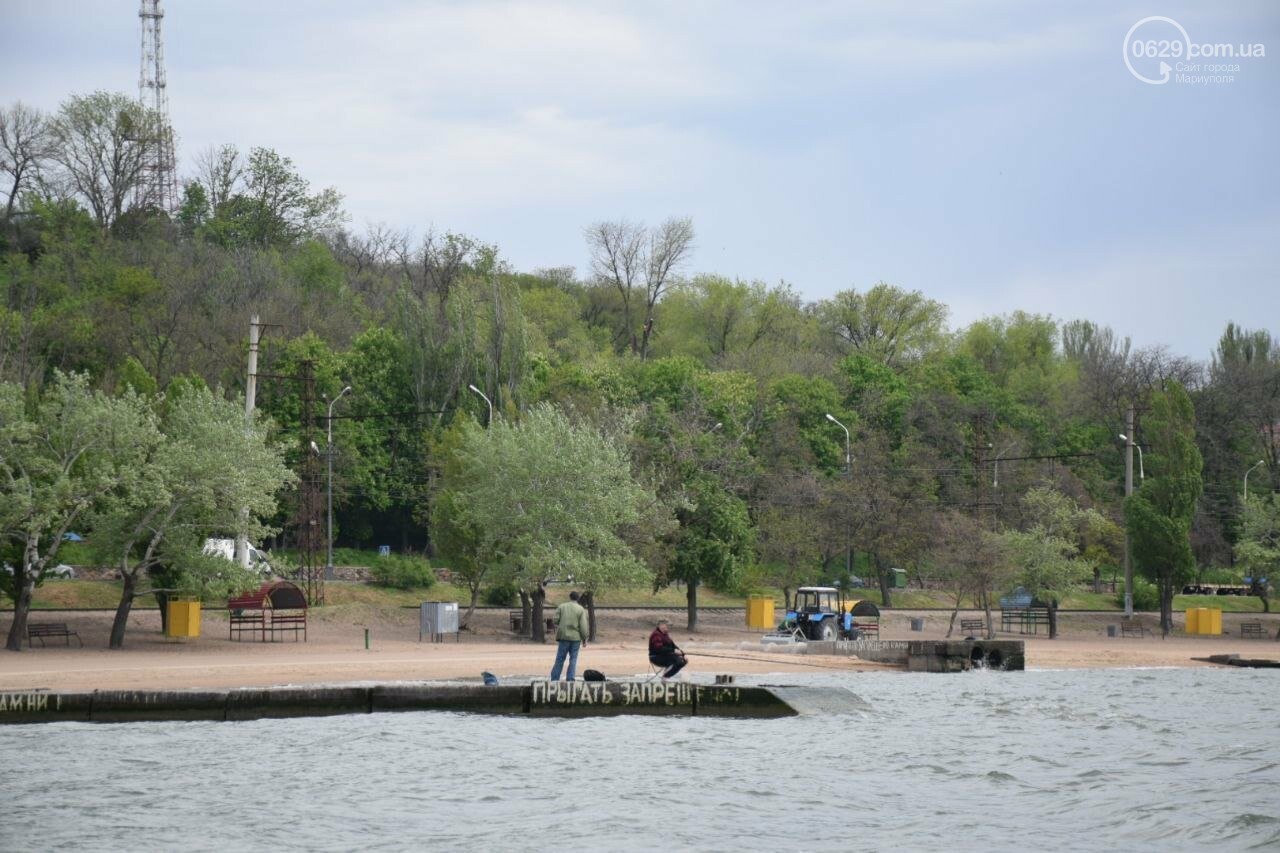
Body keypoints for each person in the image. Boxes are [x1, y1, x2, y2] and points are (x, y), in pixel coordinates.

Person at [549, 591, 589, 681]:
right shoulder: (580, 609)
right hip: (575, 638)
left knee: (560, 658)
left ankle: (555, 679)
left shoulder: (562, 606)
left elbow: (555, 620)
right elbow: (583, 626)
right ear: (578, 598)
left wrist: (562, 623)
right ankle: (570, 679)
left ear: (570, 597)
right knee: (573, 659)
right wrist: (584, 639)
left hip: (563, 636)